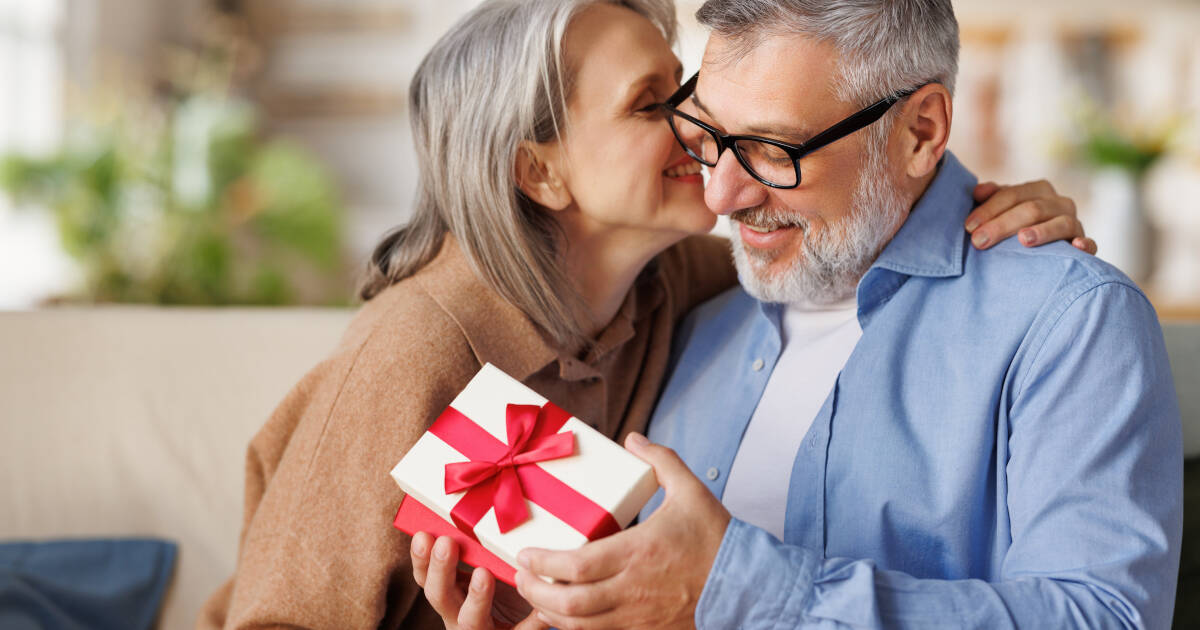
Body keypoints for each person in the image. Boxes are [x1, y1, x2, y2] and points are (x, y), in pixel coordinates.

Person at [197, 0, 1097, 628]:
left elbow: (844, 224)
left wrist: (977, 199)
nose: (699, 134)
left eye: (685, 91)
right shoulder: (419, 346)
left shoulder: (688, 287)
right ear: (539, 171)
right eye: (648, 105)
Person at [497, 1, 1182, 629]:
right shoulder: (690, 311)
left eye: (775, 149)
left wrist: (737, 589)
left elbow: (1107, 618)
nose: (721, 195)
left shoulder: (1068, 323)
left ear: (921, 132)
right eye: (707, 132)